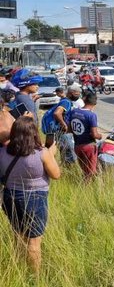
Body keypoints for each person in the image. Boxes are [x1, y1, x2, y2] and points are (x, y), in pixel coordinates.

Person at [0, 116, 61, 274]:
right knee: (34, 242)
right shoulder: (42, 153)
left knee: (18, 235)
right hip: (34, 199)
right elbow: (56, 174)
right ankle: (35, 276)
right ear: (34, 133)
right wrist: (51, 154)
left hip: (9, 197)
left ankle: (18, 266)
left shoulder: (3, 151)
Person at [69, 93, 102, 180]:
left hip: (77, 146)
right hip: (88, 146)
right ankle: (86, 188)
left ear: (84, 100)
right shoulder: (91, 115)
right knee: (91, 172)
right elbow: (94, 134)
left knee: (84, 170)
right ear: (95, 104)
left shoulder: (74, 111)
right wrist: (100, 136)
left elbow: (69, 129)